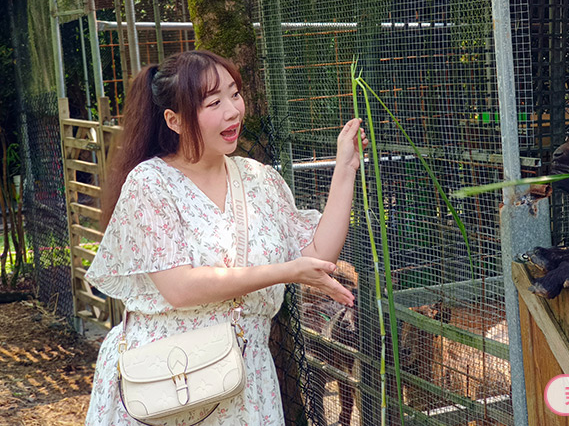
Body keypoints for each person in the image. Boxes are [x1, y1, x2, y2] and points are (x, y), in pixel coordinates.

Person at [84, 49, 366, 425]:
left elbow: (318, 253)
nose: (233, 110)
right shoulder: (150, 184)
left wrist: (345, 167)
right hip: (170, 381)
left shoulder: (259, 179)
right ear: (175, 120)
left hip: (246, 383)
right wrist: (286, 271)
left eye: (234, 94)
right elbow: (179, 288)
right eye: (214, 102)